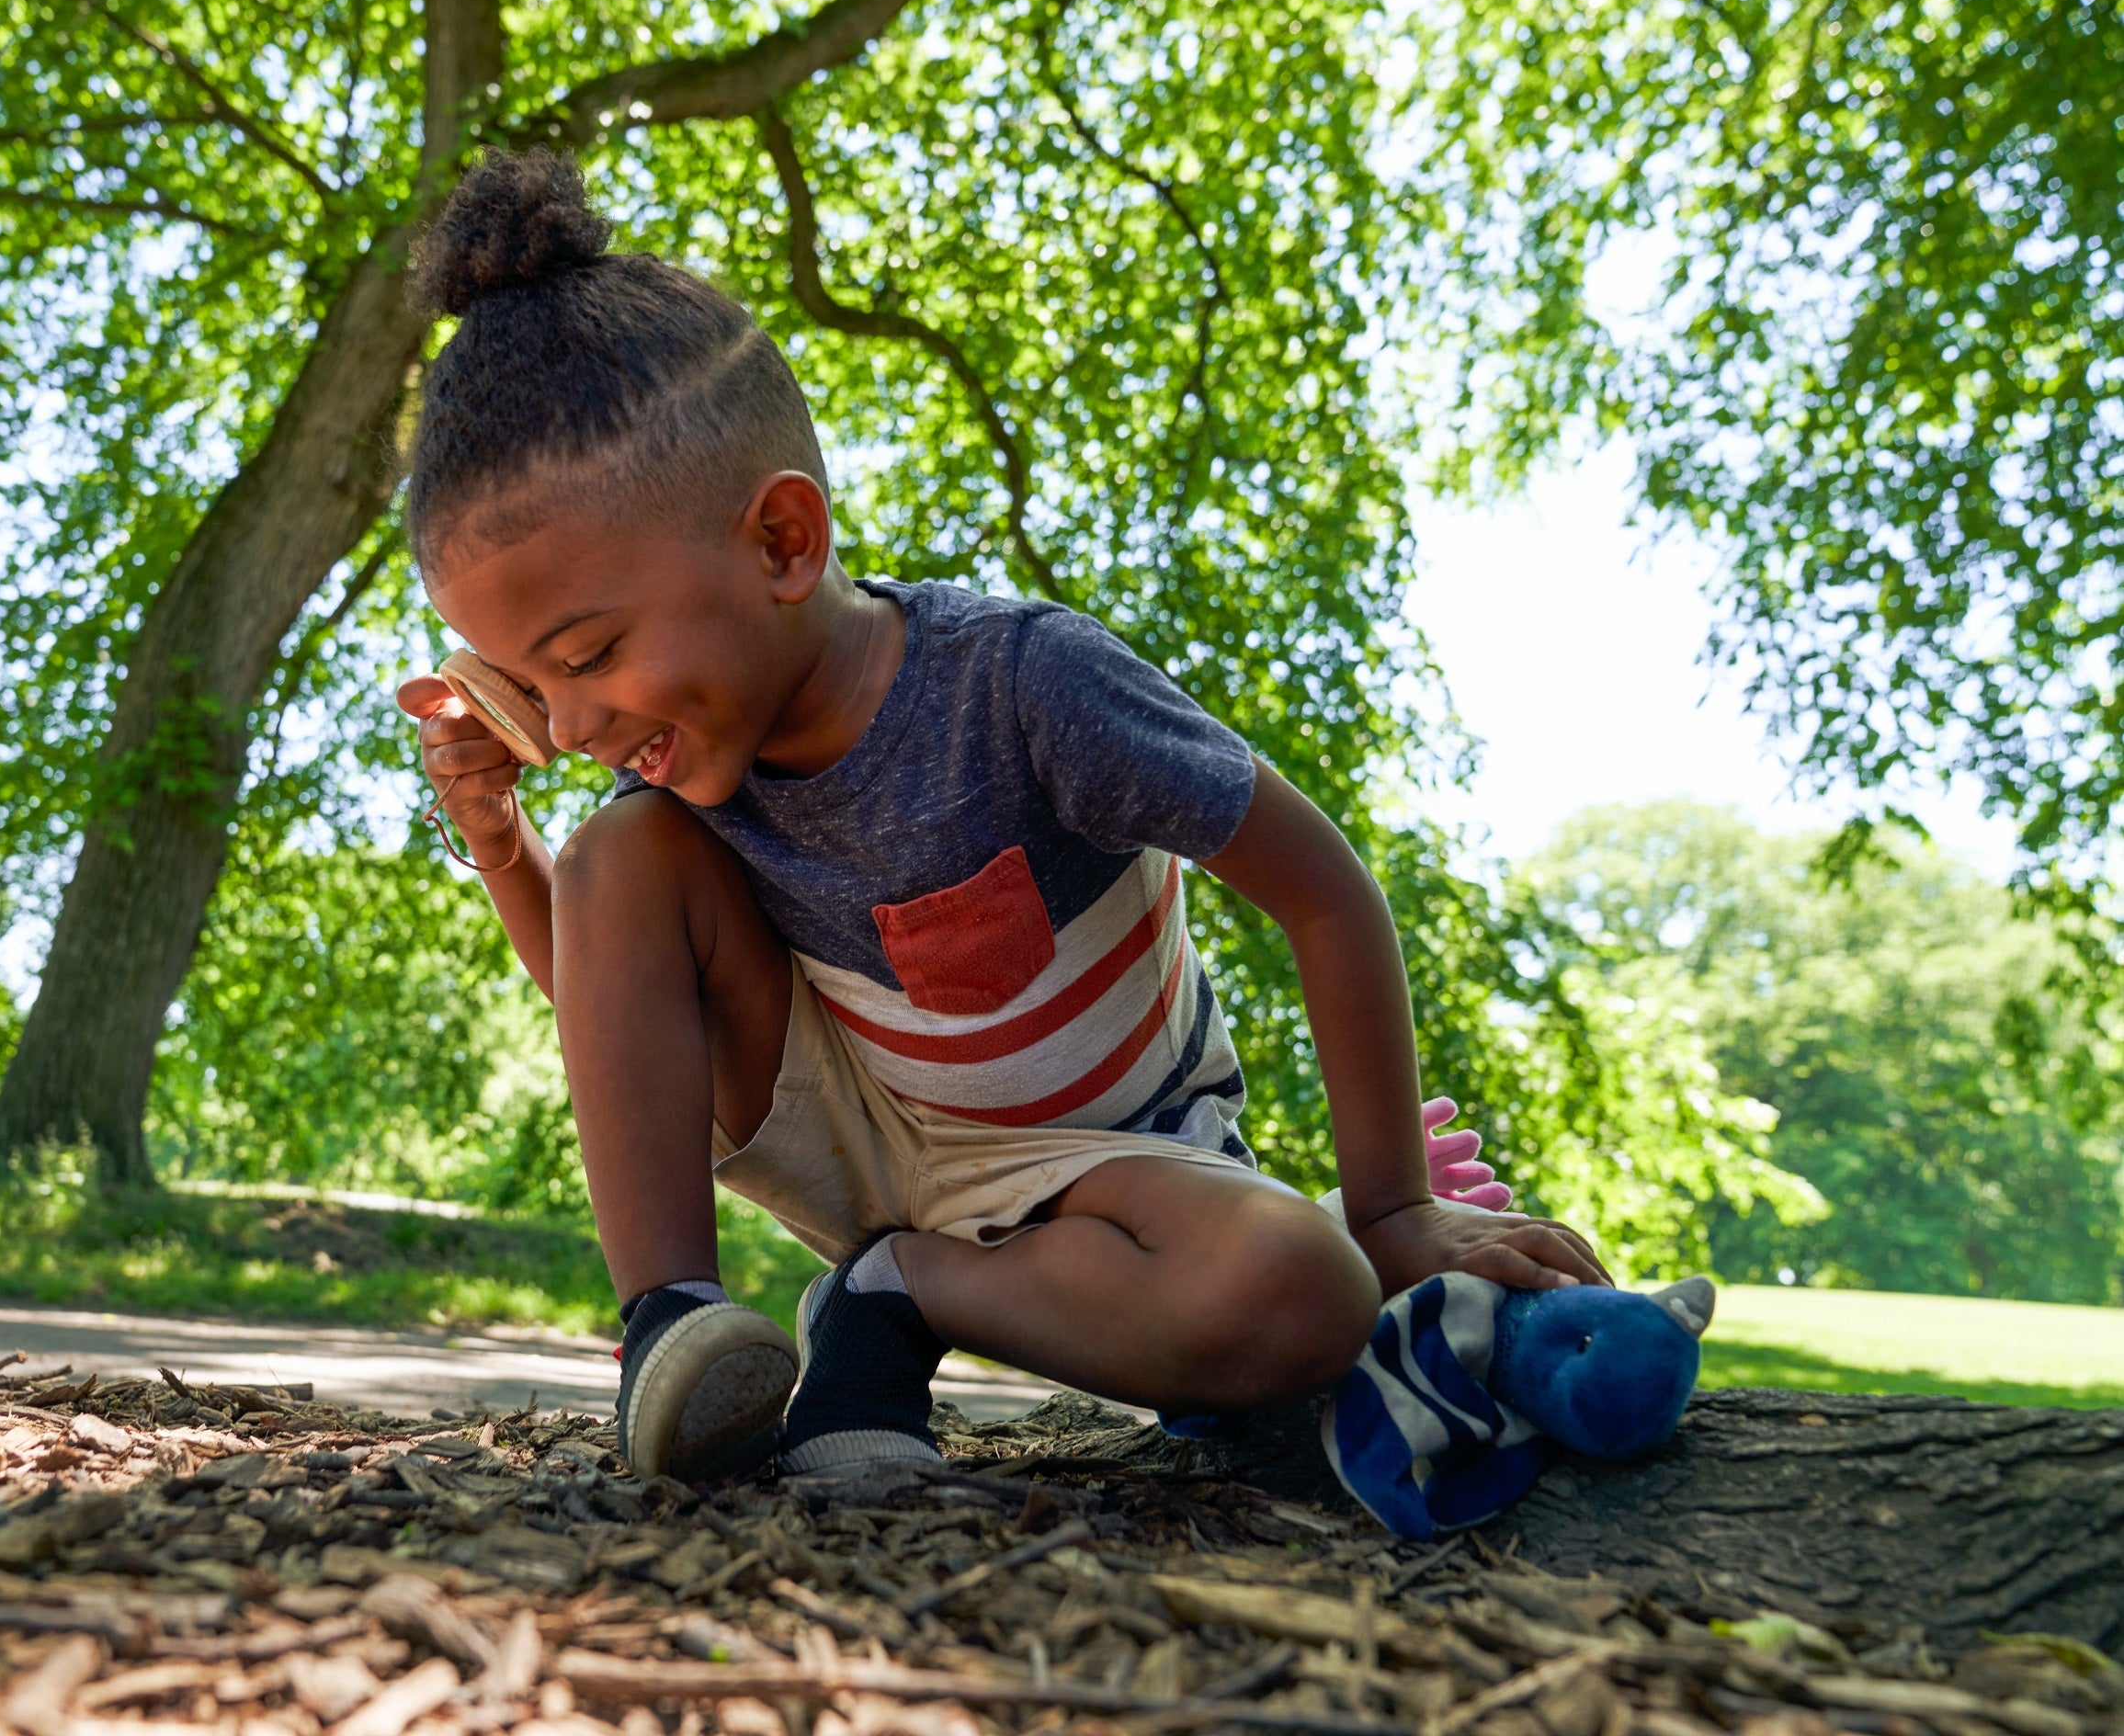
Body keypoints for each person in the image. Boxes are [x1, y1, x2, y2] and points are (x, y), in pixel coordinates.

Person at [394, 150, 1611, 1482]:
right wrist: (504, 839)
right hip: (860, 1126)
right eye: (529, 684)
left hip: (1111, 1168)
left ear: (784, 544)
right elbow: (614, 1013)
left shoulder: (1026, 687)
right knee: (619, 852)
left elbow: (1327, 893)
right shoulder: (679, 783)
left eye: (586, 656)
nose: (566, 727)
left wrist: (1390, 1213)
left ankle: (893, 1299)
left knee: (1305, 1294)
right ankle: (670, 1332)